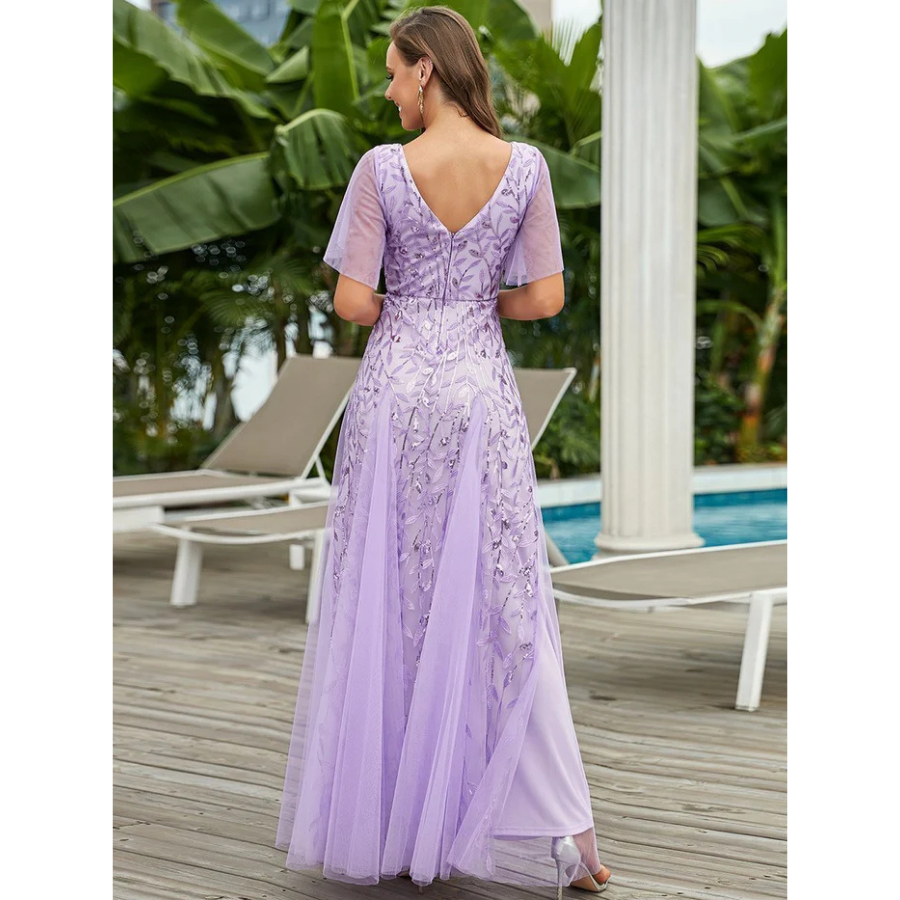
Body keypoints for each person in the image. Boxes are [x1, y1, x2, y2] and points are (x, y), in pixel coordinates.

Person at [275, 7, 612, 896]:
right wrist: (473, 304)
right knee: (507, 603)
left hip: (396, 396)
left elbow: (354, 302)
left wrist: (415, 304)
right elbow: (545, 298)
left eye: (394, 73)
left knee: (387, 598)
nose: (389, 91)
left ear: (426, 68)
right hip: (477, 394)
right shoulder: (525, 166)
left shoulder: (383, 169)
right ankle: (571, 836)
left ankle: (388, 819)